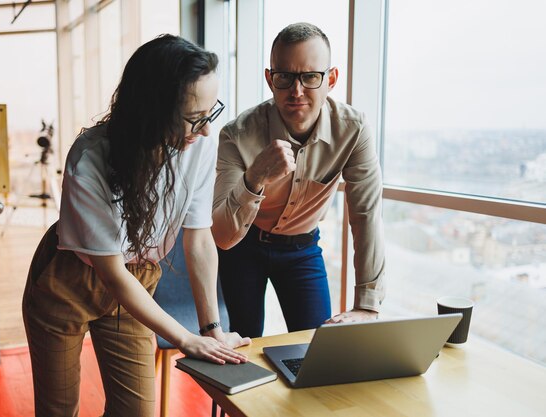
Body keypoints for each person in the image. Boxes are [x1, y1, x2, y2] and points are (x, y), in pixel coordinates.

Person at [22, 34, 250, 417]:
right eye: (194, 118)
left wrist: (211, 330)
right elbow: (111, 273)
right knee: (58, 408)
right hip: (68, 279)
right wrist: (184, 338)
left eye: (211, 112)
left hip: (138, 278)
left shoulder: (199, 143)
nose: (207, 129)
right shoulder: (90, 158)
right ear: (152, 110)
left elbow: (198, 240)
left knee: (138, 411)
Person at [212, 22, 386, 338]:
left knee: (316, 347)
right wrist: (255, 178)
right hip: (244, 248)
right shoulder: (236, 135)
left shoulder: (353, 130)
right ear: (270, 79)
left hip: (303, 249)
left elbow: (366, 215)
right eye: (285, 78)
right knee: (244, 347)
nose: (297, 91)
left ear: (330, 79)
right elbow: (222, 236)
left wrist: (368, 304)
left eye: (310, 77)